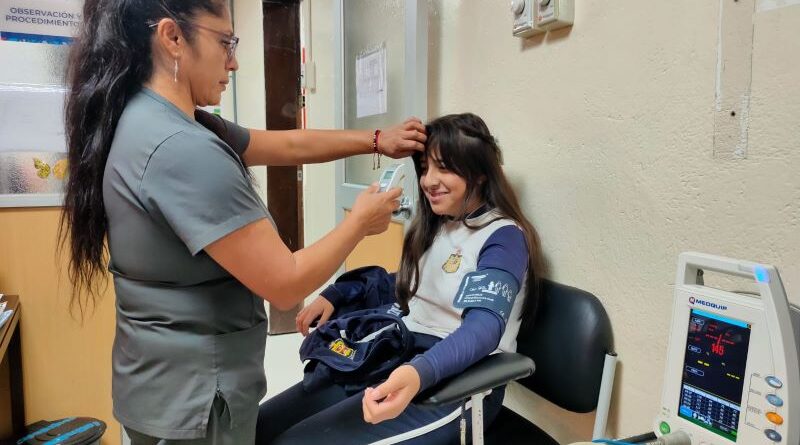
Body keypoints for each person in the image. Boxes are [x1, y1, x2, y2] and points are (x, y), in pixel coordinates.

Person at [59, 1, 426, 444]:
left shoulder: (149, 118)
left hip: (161, 383)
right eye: (225, 43)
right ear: (172, 38)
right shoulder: (181, 148)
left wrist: (376, 140)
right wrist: (360, 223)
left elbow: (288, 146)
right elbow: (286, 284)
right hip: (195, 399)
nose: (233, 62)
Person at [256, 113, 544, 445]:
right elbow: (408, 285)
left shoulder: (503, 237)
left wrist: (419, 372)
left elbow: (483, 328)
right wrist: (338, 294)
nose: (429, 180)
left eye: (444, 167)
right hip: (403, 353)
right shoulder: (442, 225)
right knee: (261, 427)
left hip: (458, 380)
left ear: (479, 173)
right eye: (425, 168)